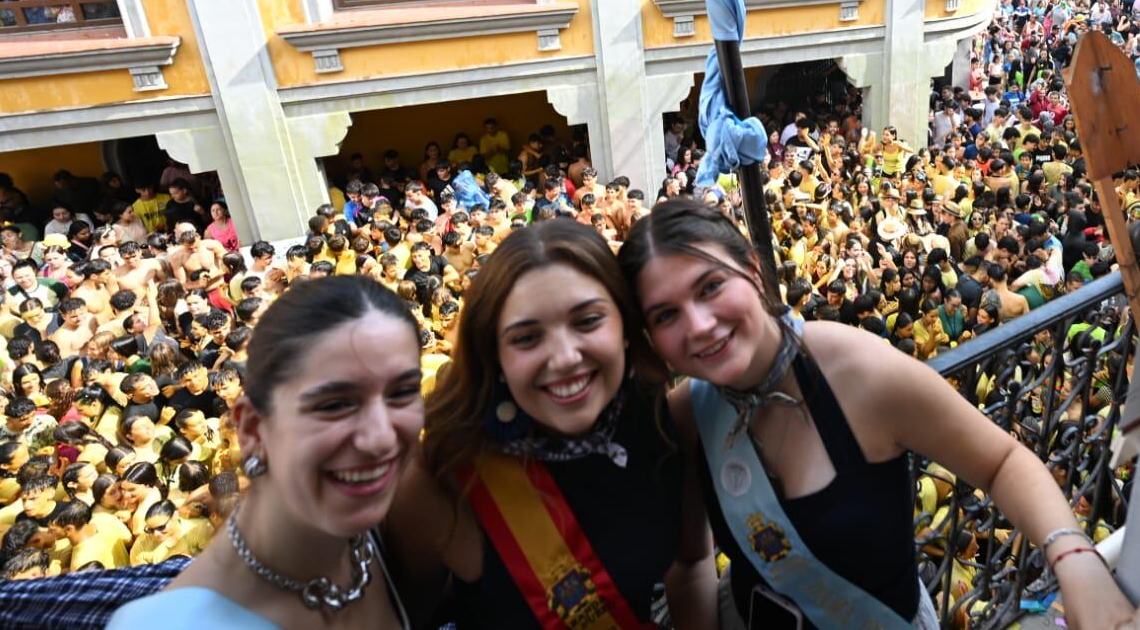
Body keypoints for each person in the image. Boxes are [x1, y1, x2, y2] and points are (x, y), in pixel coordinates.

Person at [619, 198, 1137, 630]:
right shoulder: (686, 413)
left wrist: (1076, 561)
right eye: (666, 315)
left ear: (753, 270)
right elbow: (691, 563)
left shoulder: (862, 372)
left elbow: (1001, 461)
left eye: (711, 287)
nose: (700, 324)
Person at [386, 218, 707, 629]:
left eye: (588, 320)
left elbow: (691, 563)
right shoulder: (445, 473)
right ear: (494, 355)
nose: (565, 357)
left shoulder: (653, 414)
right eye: (526, 338)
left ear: (625, 326)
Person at [107, 276, 422, 628]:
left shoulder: (416, 535)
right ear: (252, 428)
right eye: (334, 404)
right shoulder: (169, 622)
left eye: (402, 393)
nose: (379, 436)